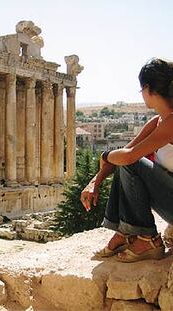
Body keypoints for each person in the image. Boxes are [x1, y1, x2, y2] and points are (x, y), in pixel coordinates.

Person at [81, 58, 173, 263]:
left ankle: (147, 239)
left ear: (148, 89)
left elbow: (129, 157)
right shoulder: (157, 122)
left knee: (129, 163)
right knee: (126, 162)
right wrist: (95, 182)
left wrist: (105, 156)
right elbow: (126, 151)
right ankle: (125, 233)